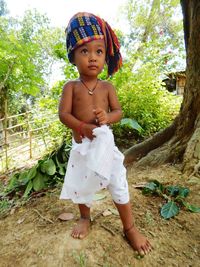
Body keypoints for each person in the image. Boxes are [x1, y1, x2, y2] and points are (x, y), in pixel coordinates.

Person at [59, 12, 152, 255]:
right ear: (73, 56)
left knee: (118, 180)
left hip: (104, 146)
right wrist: (81, 126)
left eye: (99, 52)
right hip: (82, 147)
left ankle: (129, 227)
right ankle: (84, 217)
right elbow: (64, 115)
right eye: (85, 51)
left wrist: (107, 117)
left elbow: (118, 112)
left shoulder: (108, 87)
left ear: (105, 56)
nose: (92, 58)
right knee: (81, 183)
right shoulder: (71, 87)